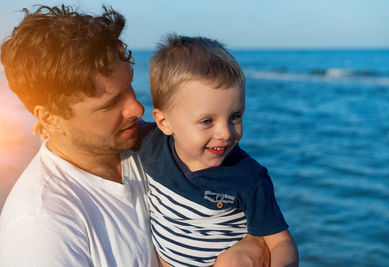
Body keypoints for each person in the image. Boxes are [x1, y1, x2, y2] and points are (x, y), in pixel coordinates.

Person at [0, 5, 270, 266]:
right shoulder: (41, 229)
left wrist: (253, 241)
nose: (137, 108)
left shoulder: (149, 144)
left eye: (130, 85)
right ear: (50, 119)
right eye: (110, 104)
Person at [134, 35, 299, 266]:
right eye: (207, 121)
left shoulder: (248, 176)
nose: (226, 133)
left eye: (235, 116)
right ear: (164, 122)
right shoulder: (150, 144)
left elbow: (280, 242)